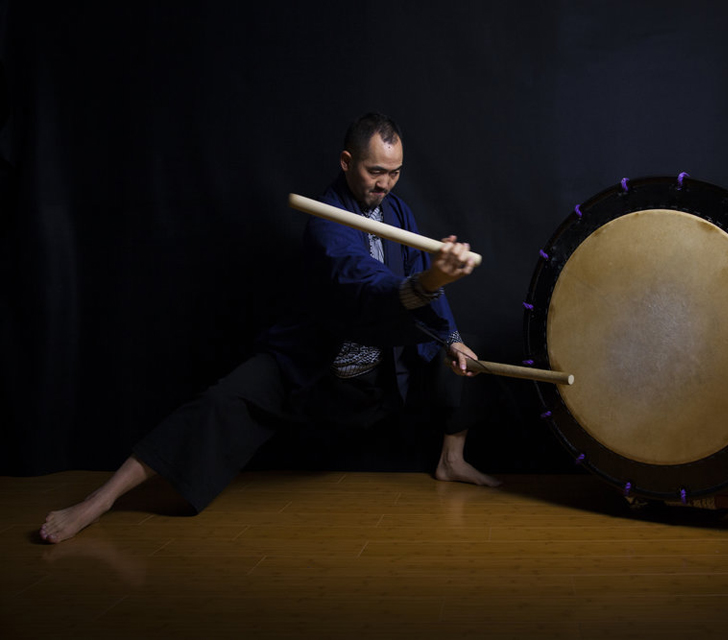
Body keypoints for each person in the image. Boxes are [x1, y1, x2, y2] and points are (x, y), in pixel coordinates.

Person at [40, 113, 499, 544]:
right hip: (319, 362)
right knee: (219, 402)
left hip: (381, 366)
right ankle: (98, 500)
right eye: (375, 170)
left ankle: (450, 461)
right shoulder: (325, 220)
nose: (385, 183)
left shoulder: (398, 210)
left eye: (394, 173)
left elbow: (420, 273)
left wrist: (451, 336)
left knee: (464, 352)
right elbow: (363, 283)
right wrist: (431, 280)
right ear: (347, 161)